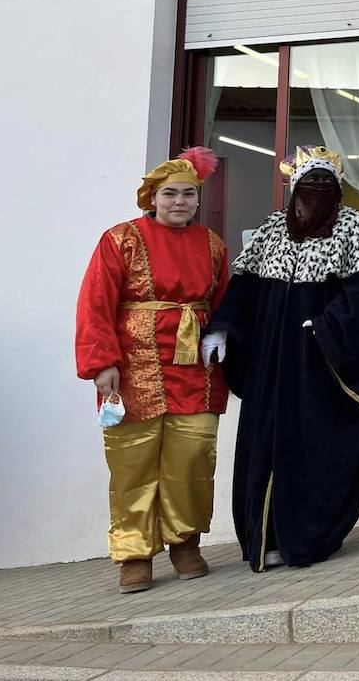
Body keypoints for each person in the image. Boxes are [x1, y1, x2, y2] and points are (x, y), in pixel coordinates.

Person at [206, 146, 359, 570]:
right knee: (264, 440)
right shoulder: (273, 227)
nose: (318, 188)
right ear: (294, 186)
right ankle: (263, 536)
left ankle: (305, 535)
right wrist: (222, 326)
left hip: (319, 362)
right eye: (310, 181)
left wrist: (327, 325)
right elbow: (246, 286)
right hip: (271, 360)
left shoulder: (353, 228)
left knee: (310, 444)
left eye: (327, 181)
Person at [75, 146, 227, 594]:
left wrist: (223, 338)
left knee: (193, 456)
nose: (179, 202)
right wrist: (101, 364)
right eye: (170, 194)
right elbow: (95, 303)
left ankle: (186, 542)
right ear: (152, 198)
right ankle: (134, 553)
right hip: (133, 365)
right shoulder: (119, 239)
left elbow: (223, 305)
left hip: (195, 368)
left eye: (188, 194)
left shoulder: (213, 245)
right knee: (133, 462)